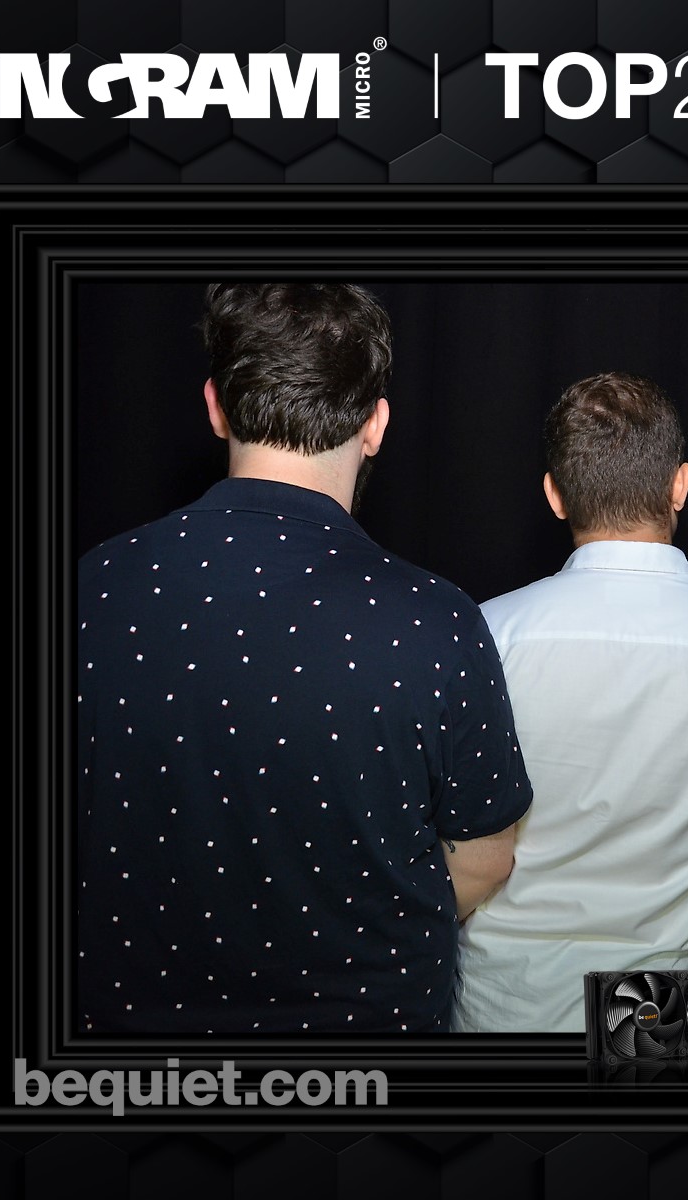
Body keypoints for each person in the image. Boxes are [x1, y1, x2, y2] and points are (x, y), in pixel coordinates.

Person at [76, 283, 532, 1033]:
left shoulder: (89, 589)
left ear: (215, 406)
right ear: (376, 424)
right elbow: (484, 858)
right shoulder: (437, 619)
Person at [454, 371, 688, 1033]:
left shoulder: (486, 636)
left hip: (503, 1007)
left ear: (555, 495)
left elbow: (451, 838)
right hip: (665, 1018)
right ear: (681, 485)